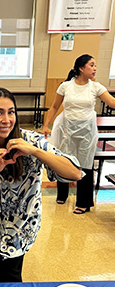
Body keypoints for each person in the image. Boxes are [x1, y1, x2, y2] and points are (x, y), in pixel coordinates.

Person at [0, 87, 82, 283]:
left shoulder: (31, 140)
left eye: (11, 112)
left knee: (11, 283)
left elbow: (75, 172)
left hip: (19, 231)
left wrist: (35, 152)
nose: (6, 120)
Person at [42, 54, 115, 214]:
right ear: (81, 68)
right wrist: (46, 124)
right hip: (66, 129)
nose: (95, 68)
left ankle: (83, 202)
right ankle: (62, 194)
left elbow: (112, 103)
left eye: (95, 65)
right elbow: (54, 106)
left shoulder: (96, 87)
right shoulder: (66, 86)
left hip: (87, 132)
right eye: (91, 65)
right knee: (63, 161)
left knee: (85, 165)